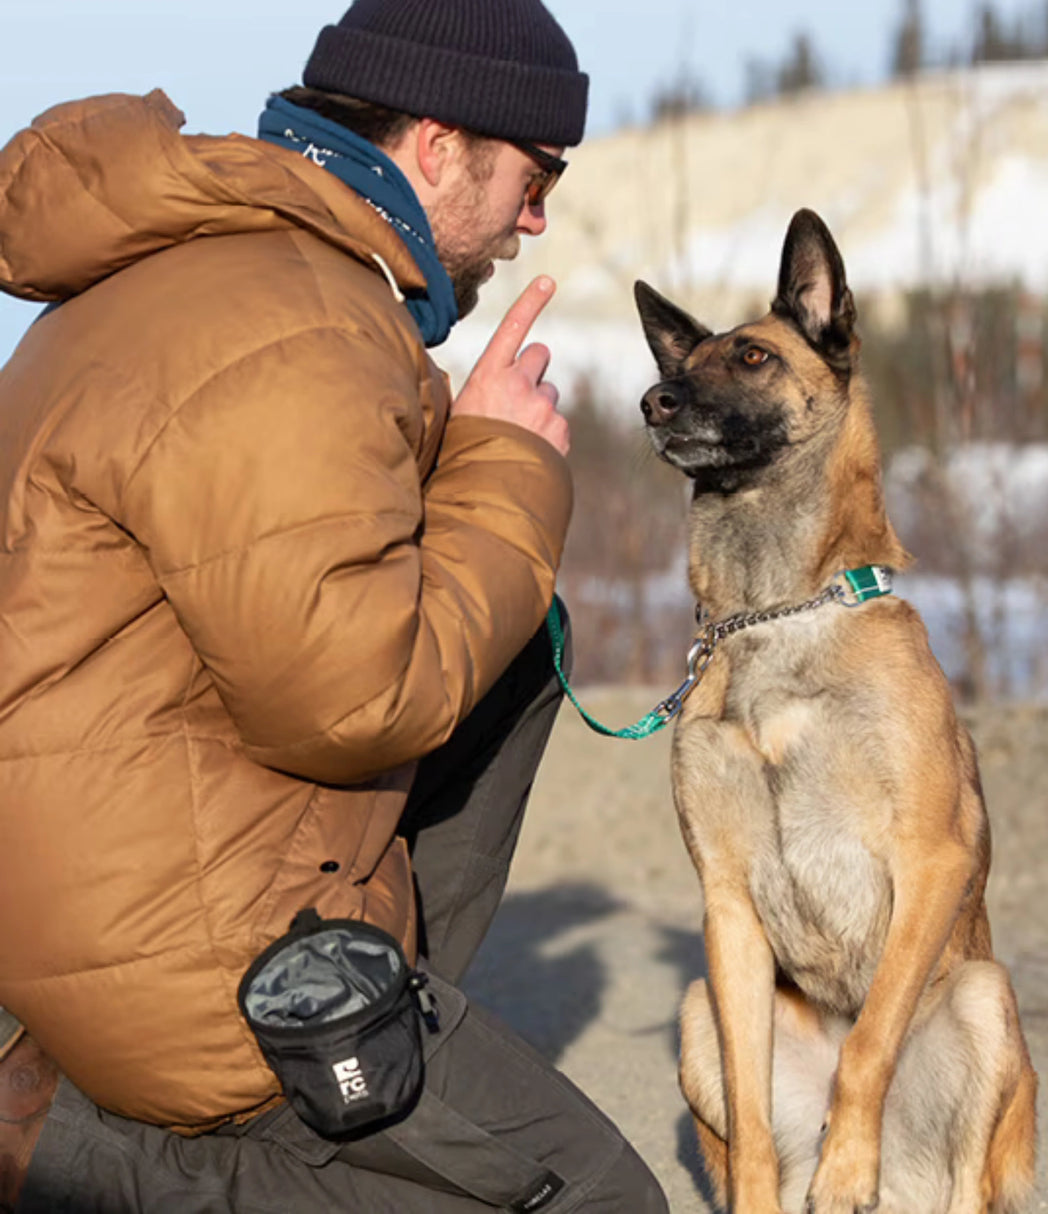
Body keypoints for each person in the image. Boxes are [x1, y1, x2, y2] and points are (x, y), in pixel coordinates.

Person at [0, 1, 667, 1210]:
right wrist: (508, 464)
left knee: (514, 645)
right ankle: (70, 1151)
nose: (535, 222)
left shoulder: (178, 274)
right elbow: (354, 702)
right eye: (533, 177)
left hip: (77, 891)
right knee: (597, 1196)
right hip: (186, 969)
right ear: (438, 142)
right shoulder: (299, 318)